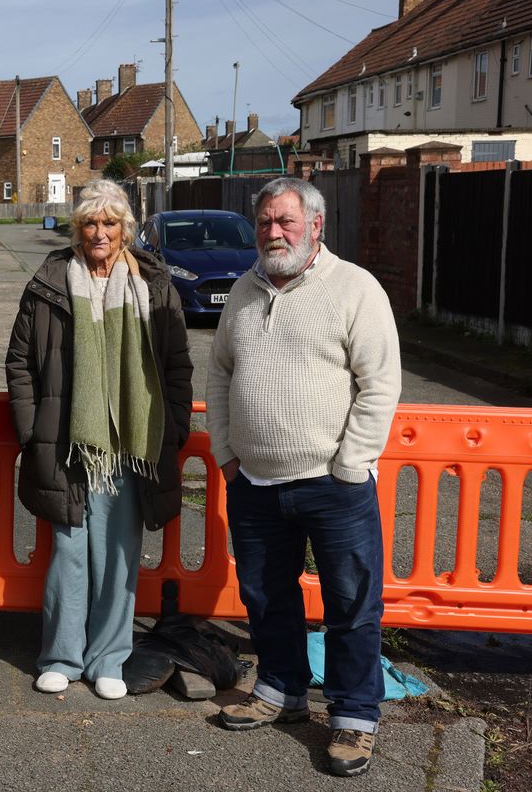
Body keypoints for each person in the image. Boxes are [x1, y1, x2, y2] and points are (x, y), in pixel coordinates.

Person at [206, 177, 401, 777]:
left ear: (316, 226)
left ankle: (353, 716)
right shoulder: (243, 290)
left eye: (286, 222)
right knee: (267, 599)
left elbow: (381, 383)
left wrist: (350, 463)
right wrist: (228, 455)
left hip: (333, 483)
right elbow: (218, 374)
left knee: (351, 603)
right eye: (265, 222)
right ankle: (280, 689)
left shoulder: (355, 288)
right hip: (256, 483)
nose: (273, 233)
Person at [5, 179, 192, 700]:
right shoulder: (50, 280)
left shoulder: (154, 284)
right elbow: (20, 362)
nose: (100, 232)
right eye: (91, 222)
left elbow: (177, 363)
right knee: (68, 551)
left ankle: (110, 657)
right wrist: (30, 430)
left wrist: (173, 428)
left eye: (110, 222)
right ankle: (61, 656)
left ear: (126, 229)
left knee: (119, 553)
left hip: (131, 444)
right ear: (77, 228)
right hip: (67, 441)